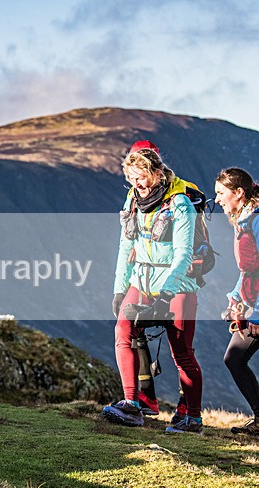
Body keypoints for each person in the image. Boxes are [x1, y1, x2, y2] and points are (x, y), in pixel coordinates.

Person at [107, 140, 204, 434]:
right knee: (123, 332)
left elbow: (183, 254)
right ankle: (132, 405)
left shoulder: (180, 205)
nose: (138, 185)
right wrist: (119, 289)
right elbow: (126, 246)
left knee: (181, 351)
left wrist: (167, 293)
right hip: (141, 280)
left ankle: (193, 418)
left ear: (158, 173)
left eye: (142, 178)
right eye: (132, 179)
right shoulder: (133, 201)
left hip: (177, 285)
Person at [214, 167, 259, 436]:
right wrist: (235, 295)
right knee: (234, 358)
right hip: (251, 303)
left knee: (235, 358)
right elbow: (249, 269)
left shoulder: (256, 221)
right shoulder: (244, 219)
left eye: (221, 193)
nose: (217, 199)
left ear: (239, 193)